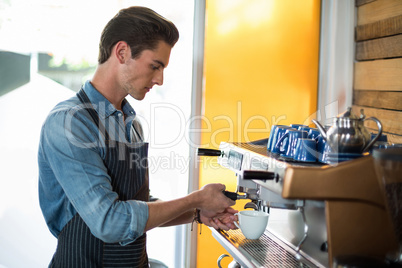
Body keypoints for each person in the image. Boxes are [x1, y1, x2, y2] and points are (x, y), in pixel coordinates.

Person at [38, 6, 238, 267]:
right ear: (122, 52)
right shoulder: (70, 123)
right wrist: (196, 198)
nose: (160, 79)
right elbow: (110, 222)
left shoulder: (131, 124)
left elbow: (140, 206)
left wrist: (197, 213)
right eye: (155, 66)